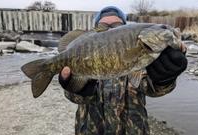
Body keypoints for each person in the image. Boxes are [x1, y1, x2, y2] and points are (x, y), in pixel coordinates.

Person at [59, 6, 187, 135]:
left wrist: (164, 80)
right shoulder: (83, 53)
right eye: (103, 25)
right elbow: (74, 98)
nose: (110, 29)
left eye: (116, 25)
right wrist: (75, 89)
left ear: (125, 28)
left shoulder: (144, 56)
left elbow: (152, 89)